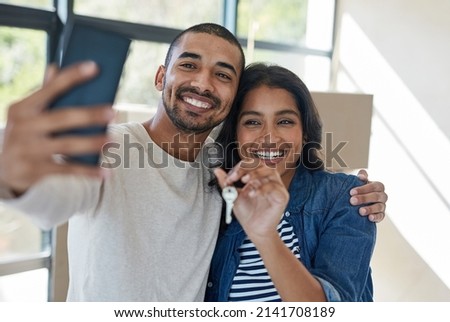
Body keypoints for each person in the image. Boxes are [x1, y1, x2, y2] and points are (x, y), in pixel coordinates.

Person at [0, 23, 386, 301]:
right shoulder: (113, 147)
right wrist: (16, 174)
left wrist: (355, 189)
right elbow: (54, 199)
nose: (203, 84)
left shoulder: (223, 174)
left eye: (222, 74)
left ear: (232, 98)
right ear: (160, 77)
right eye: (189, 65)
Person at [205, 63, 377, 302]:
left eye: (285, 121)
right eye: (253, 122)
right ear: (235, 133)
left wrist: (265, 236)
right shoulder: (215, 202)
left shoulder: (345, 197)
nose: (269, 137)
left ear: (305, 131)